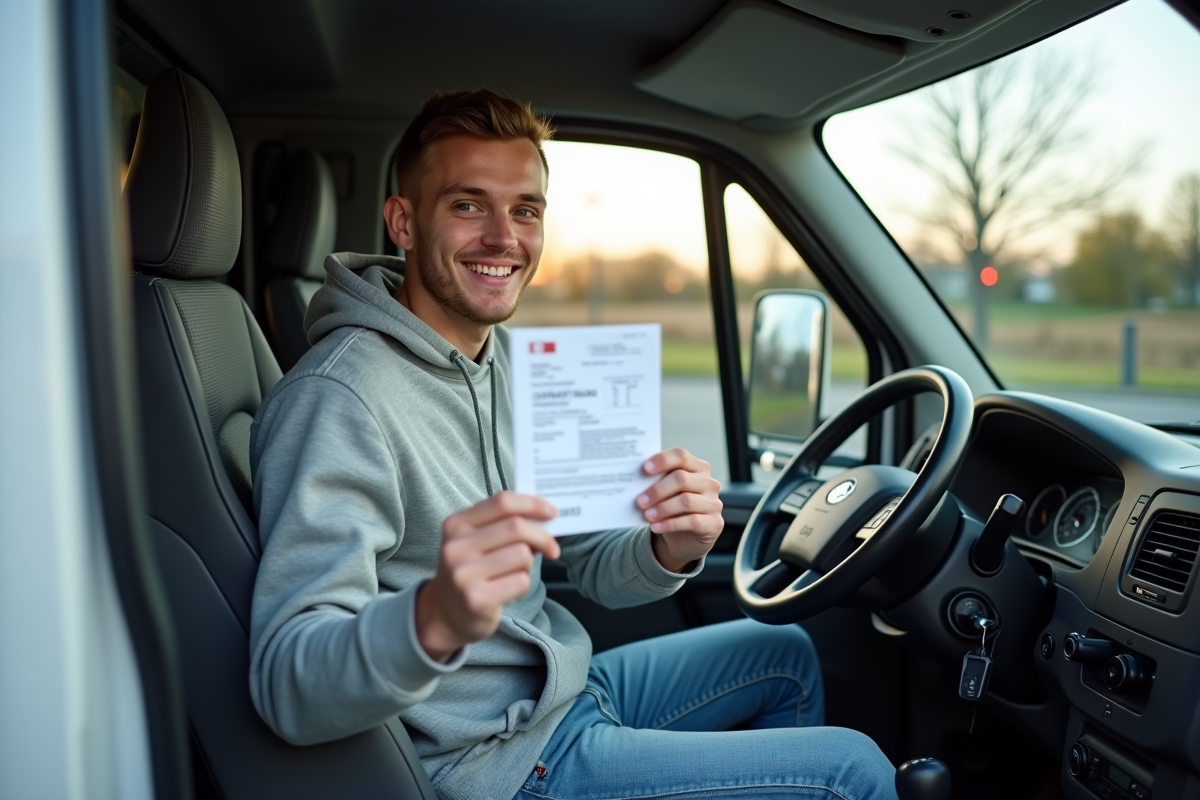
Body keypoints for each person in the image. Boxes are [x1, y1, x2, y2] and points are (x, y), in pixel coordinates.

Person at [248, 89, 898, 800]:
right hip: (495, 762)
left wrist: (669, 547)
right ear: (404, 221)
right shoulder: (339, 399)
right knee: (854, 771)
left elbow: (589, 563)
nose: (504, 237)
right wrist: (432, 618)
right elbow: (288, 686)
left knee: (783, 654)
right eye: (468, 205)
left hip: (564, 695)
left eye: (525, 210)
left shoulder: (506, 361)